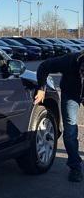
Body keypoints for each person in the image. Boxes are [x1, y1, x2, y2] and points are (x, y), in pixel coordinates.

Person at [35, 50, 84, 182]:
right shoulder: (69, 61)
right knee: (70, 131)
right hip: (71, 93)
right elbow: (44, 66)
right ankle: (75, 167)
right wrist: (41, 88)